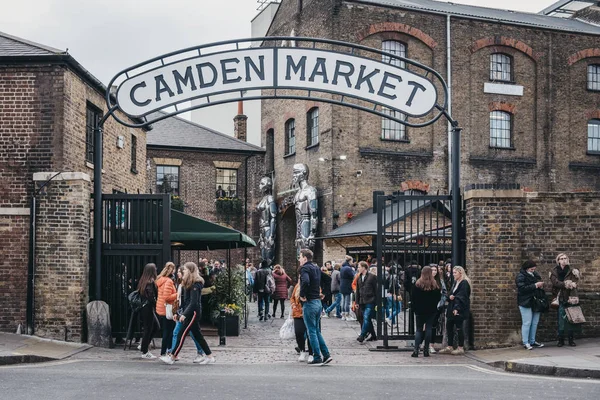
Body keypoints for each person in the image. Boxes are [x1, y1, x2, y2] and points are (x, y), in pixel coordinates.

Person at [160, 262, 215, 365]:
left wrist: (184, 314)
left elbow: (193, 302)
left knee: (181, 334)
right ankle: (209, 356)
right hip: (189, 312)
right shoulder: (189, 282)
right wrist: (179, 312)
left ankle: (172, 357)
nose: (183, 271)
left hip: (192, 313)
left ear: (190, 271)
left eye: (185, 270)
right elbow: (185, 301)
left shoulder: (195, 283)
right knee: (197, 335)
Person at [299, 248, 333, 365]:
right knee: (316, 331)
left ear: (304, 258)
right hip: (318, 303)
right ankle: (326, 354)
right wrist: (325, 293)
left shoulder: (304, 268)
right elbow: (328, 279)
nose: (299, 259)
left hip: (310, 303)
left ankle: (317, 356)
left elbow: (306, 281)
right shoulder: (316, 267)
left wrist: (302, 294)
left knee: (311, 331)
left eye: (300, 257)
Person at [169, 266, 206, 361]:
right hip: (183, 312)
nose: (178, 273)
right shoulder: (181, 284)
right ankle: (173, 354)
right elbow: (182, 301)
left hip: (187, 313)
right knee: (178, 333)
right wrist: (178, 312)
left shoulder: (190, 284)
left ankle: (202, 353)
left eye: (180, 271)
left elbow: (191, 302)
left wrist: (183, 314)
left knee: (192, 334)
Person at [550, 253, 581, 347]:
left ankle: (571, 340)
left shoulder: (573, 271)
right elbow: (555, 283)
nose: (564, 260)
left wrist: (573, 283)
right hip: (560, 298)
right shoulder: (554, 271)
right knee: (561, 320)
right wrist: (566, 284)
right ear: (558, 260)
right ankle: (561, 340)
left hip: (571, 297)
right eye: (562, 258)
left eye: (565, 258)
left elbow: (576, 282)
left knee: (571, 319)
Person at [439, 266, 471, 355]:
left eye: (455, 273)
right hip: (451, 307)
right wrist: (450, 297)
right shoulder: (456, 282)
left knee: (459, 328)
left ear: (460, 273)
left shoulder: (464, 283)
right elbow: (452, 294)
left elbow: (462, 297)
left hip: (458, 309)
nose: (453, 275)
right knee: (449, 326)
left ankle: (460, 347)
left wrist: (457, 308)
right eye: (453, 273)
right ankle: (450, 346)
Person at [411, 266, 441, 357]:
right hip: (431, 310)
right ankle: (426, 350)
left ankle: (416, 350)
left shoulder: (417, 284)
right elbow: (438, 298)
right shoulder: (434, 285)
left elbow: (413, 298)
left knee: (419, 330)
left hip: (419, 310)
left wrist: (415, 308)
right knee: (428, 329)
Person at [516, 260, 545, 350]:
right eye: (532, 269)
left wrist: (539, 286)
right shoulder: (520, 276)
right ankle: (526, 342)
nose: (533, 270)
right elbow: (522, 289)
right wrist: (535, 285)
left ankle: (532, 341)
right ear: (527, 268)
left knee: (534, 323)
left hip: (535, 301)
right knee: (527, 322)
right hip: (525, 302)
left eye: (534, 269)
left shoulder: (535, 275)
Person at [155, 261, 177, 357]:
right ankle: (165, 352)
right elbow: (167, 297)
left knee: (167, 331)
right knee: (169, 332)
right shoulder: (168, 281)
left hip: (161, 308)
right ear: (172, 270)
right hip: (167, 309)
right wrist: (178, 294)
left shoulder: (161, 279)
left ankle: (166, 351)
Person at [138, 263, 158, 359]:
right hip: (148, 308)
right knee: (149, 329)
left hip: (145, 308)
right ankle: (145, 351)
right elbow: (151, 297)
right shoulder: (150, 282)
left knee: (154, 327)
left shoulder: (143, 281)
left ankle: (143, 346)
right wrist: (157, 304)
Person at [290, 280, 313, 362]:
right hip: (298, 313)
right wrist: (293, 305)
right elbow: (292, 297)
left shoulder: (313, 284)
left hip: (309, 312)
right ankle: (302, 350)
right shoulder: (297, 286)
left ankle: (311, 353)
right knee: (298, 332)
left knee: (310, 333)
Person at [355, 261, 378, 343]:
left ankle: (362, 335)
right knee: (367, 318)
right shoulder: (358, 277)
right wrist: (356, 302)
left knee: (366, 317)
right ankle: (374, 335)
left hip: (370, 300)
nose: (358, 268)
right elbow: (357, 291)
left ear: (364, 267)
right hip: (362, 301)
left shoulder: (372, 277)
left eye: (359, 267)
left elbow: (376, 289)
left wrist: (377, 302)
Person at [340, 255, 356, 321]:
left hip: (342, 285)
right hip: (347, 285)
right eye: (352, 261)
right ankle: (347, 315)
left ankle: (343, 314)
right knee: (347, 301)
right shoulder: (348, 268)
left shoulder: (342, 268)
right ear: (350, 261)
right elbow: (353, 275)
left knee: (343, 301)